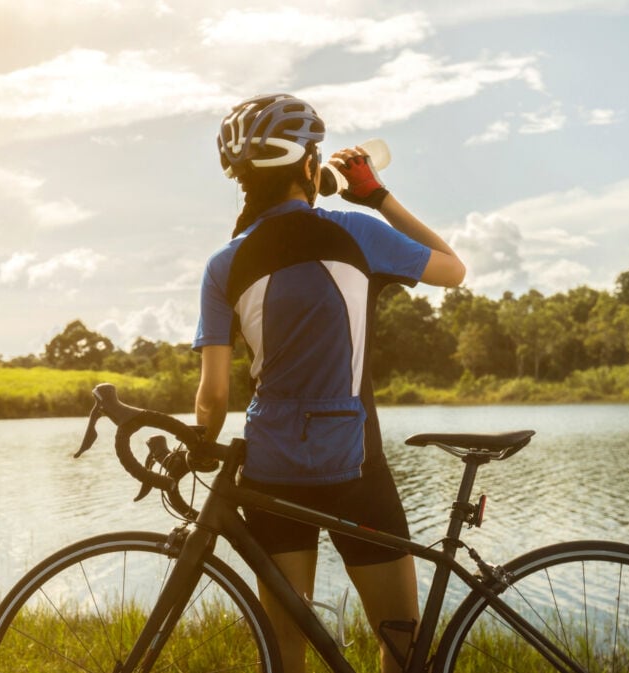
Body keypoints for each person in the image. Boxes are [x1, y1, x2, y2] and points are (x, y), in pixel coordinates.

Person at [193, 93, 465, 673]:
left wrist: (199, 441)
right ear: (309, 166)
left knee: (285, 655)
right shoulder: (357, 232)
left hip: (270, 473)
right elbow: (453, 269)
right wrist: (377, 195)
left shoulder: (224, 265)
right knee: (402, 645)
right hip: (355, 469)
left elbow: (213, 397)